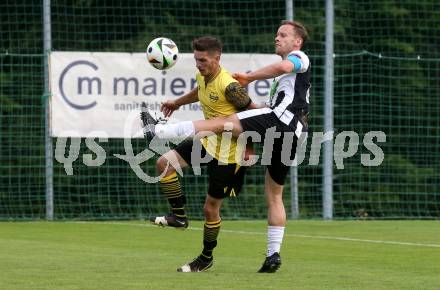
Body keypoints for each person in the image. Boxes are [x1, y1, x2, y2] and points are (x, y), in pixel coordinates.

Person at [141, 21, 310, 273]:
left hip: (253, 140)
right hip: (283, 131)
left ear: (297, 42)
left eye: (283, 35)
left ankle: (160, 131)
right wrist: (176, 102)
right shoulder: (282, 80)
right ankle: (272, 255)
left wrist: (249, 77)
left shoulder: (297, 59)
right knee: (274, 195)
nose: (277, 38)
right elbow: (255, 106)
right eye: (276, 34)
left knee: (222, 124)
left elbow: (278, 72)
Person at [141, 36, 256, 272]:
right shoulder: (203, 77)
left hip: (229, 154)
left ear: (217, 58)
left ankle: (206, 258)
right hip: (207, 141)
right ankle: (179, 217)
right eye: (195, 59)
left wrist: (251, 146)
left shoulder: (230, 86)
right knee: (164, 164)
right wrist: (177, 102)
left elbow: (252, 116)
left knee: (210, 208)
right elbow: (199, 91)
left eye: (202, 60)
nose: (198, 64)